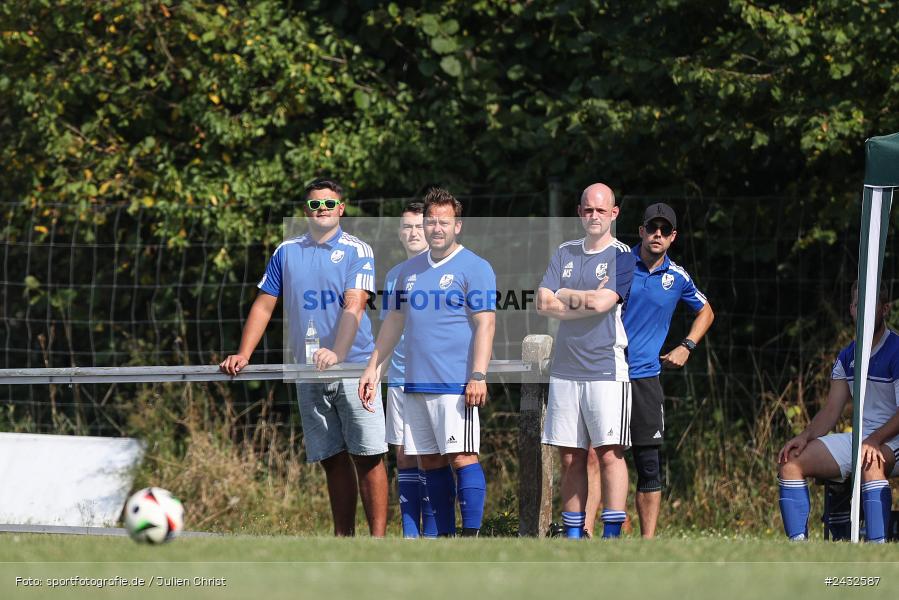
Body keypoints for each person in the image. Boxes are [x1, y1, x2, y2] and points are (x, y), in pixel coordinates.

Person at [220, 178, 388, 537]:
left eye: (329, 203)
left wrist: (338, 352)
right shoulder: (286, 251)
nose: (322, 209)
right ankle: (343, 539)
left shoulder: (358, 250)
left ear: (341, 208)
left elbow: (355, 304)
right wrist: (243, 353)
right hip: (307, 370)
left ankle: (378, 543)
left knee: (368, 455)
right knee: (331, 458)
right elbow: (265, 305)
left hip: (354, 367)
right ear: (305, 210)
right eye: (314, 205)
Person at [360, 187, 496, 537]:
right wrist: (373, 368)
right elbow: (393, 321)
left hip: (455, 383)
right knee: (429, 462)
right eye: (431, 221)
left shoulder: (475, 267)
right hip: (414, 383)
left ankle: (471, 537)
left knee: (463, 457)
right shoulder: (409, 271)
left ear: (458, 225)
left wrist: (478, 375)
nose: (436, 228)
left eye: (444, 222)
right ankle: (445, 538)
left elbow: (485, 323)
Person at [584, 203, 714, 538]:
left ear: (672, 237)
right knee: (597, 456)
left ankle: (648, 543)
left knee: (648, 462)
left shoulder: (678, 277)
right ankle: (585, 533)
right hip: (606, 372)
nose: (657, 235)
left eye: (664, 230)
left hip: (644, 375)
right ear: (641, 231)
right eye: (651, 228)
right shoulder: (619, 265)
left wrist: (686, 346)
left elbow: (706, 311)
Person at [536, 183, 636, 539]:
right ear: (580, 212)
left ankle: (611, 534)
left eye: (601, 210)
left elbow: (603, 303)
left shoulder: (623, 255)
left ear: (614, 213)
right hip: (565, 368)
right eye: (588, 210)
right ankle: (573, 535)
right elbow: (542, 302)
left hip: (605, 369)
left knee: (609, 454)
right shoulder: (565, 252)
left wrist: (565, 297)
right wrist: (581, 300)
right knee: (570, 457)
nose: (594, 216)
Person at [777, 281, 899, 543]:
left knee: (870, 460)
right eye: (857, 304)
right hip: (864, 439)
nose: (861, 310)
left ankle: (876, 550)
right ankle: (798, 552)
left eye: (869, 305)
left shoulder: (897, 351)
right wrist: (806, 436)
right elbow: (832, 410)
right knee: (791, 462)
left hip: (891, 440)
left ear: (885, 309)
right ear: (851, 309)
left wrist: (874, 441)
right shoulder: (847, 356)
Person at [381, 200, 440, 538]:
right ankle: (409, 533)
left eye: (419, 226)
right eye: (407, 227)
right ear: (399, 234)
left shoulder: (445, 269)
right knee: (403, 455)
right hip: (400, 379)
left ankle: (434, 532)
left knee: (430, 457)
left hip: (435, 380)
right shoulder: (393, 277)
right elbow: (388, 335)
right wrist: (375, 374)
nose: (413, 232)